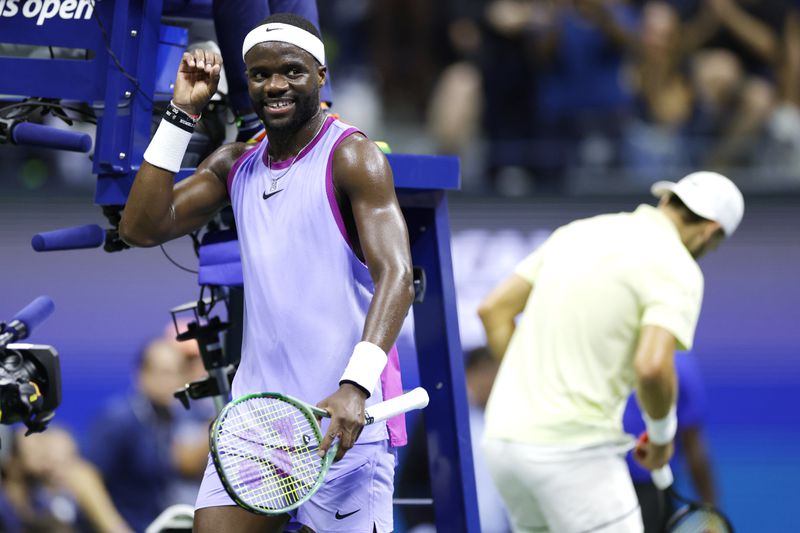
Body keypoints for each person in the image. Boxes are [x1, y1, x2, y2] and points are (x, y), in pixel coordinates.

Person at [118, 12, 414, 533]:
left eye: (292, 72)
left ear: (321, 76)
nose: (275, 85)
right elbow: (140, 228)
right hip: (256, 424)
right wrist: (182, 112)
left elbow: (398, 277)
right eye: (259, 74)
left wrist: (356, 385)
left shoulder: (354, 156)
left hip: (344, 418)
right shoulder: (234, 163)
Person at [477, 171, 744, 532]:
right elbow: (652, 366)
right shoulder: (678, 266)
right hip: (574, 455)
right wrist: (663, 437)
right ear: (710, 231)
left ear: (667, 200)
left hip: (504, 445)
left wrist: (532, 388)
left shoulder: (578, 231)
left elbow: (493, 310)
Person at [86, 339, 189, 532]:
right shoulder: (119, 417)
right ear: (141, 375)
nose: (172, 381)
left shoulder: (170, 418)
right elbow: (84, 475)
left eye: (178, 372)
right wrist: (116, 529)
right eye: (165, 372)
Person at [623, 352, 718, 532]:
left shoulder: (680, 366)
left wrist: (709, 512)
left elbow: (694, 447)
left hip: (651, 496)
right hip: (599, 487)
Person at [2, 426, 133, 533]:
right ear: (12, 464)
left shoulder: (43, 499)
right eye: (39, 454)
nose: (47, 464)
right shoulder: (7, 505)